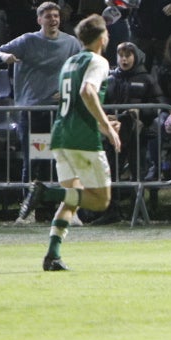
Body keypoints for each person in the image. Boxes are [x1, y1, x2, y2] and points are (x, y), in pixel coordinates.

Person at [0, 1, 84, 222]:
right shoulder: (27, 41)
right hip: (33, 112)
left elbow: (86, 68)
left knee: (66, 161)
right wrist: (4, 57)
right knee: (34, 162)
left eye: (56, 16)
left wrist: (71, 87)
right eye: (48, 16)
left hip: (62, 112)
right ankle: (27, 211)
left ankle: (69, 211)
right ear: (39, 19)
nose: (53, 20)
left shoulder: (71, 43)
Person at [40, 14, 121, 271]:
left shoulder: (70, 62)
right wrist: (107, 128)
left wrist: (101, 121)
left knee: (73, 198)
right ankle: (46, 193)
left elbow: (76, 103)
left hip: (60, 135)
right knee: (100, 201)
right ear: (102, 37)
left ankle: (52, 255)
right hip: (82, 139)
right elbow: (88, 92)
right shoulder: (98, 61)